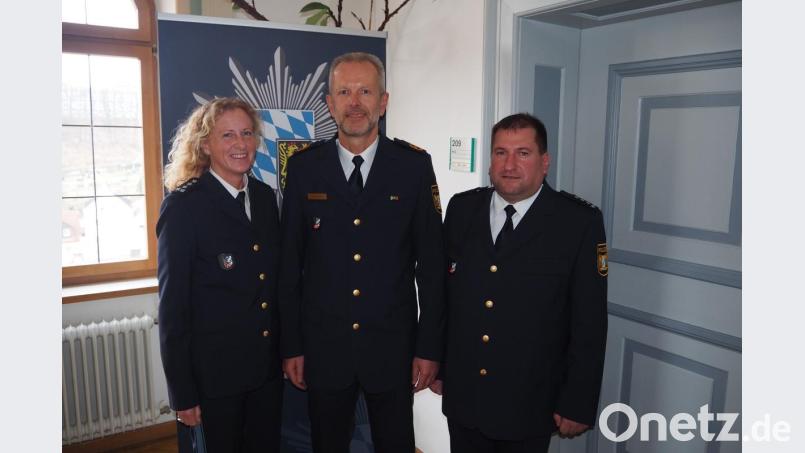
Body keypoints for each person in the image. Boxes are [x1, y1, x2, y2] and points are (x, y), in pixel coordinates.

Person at [278, 52, 445, 453]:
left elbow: (432, 267)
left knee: (396, 444)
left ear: (383, 102)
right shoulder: (303, 168)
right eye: (344, 92)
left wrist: (428, 348)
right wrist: (292, 345)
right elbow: (289, 266)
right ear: (330, 103)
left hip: (393, 349)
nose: (354, 102)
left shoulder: (413, 167)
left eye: (365, 92)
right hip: (324, 348)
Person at [430, 113, 608, 452]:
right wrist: (439, 365)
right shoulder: (463, 209)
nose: (509, 165)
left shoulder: (577, 222)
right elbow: (445, 298)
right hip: (465, 394)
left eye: (523, 153)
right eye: (501, 152)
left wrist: (578, 401)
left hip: (530, 400)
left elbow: (590, 321)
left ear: (544, 162)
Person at [157, 97, 283, 452]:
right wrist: (182, 393)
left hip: (265, 372)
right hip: (215, 379)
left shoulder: (264, 198)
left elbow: (272, 287)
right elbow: (173, 310)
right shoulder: (184, 207)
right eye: (227, 135)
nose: (240, 144)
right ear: (205, 145)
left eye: (247, 133)